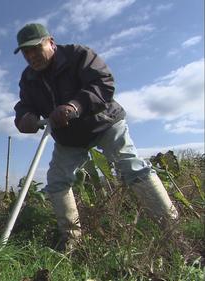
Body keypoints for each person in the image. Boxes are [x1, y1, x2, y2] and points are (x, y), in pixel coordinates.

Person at [12, 23, 178, 251]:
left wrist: (73, 106)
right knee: (57, 181)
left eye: (35, 48)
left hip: (104, 123)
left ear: (50, 41)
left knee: (130, 166)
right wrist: (25, 118)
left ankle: (171, 229)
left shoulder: (78, 55)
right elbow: (24, 105)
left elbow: (103, 83)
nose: (31, 56)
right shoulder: (28, 78)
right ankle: (71, 240)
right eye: (25, 52)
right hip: (69, 137)